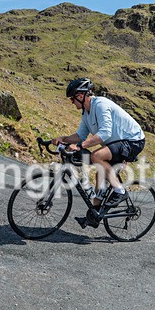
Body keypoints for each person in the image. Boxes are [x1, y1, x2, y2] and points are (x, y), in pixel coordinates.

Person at [52, 78, 145, 212]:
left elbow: (105, 133)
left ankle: (120, 191)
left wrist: (80, 146)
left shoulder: (100, 104)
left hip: (133, 140)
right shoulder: (86, 113)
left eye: (72, 99)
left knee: (96, 156)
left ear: (80, 96)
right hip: (117, 143)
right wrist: (63, 139)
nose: (72, 102)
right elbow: (80, 136)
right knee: (100, 175)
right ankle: (95, 213)